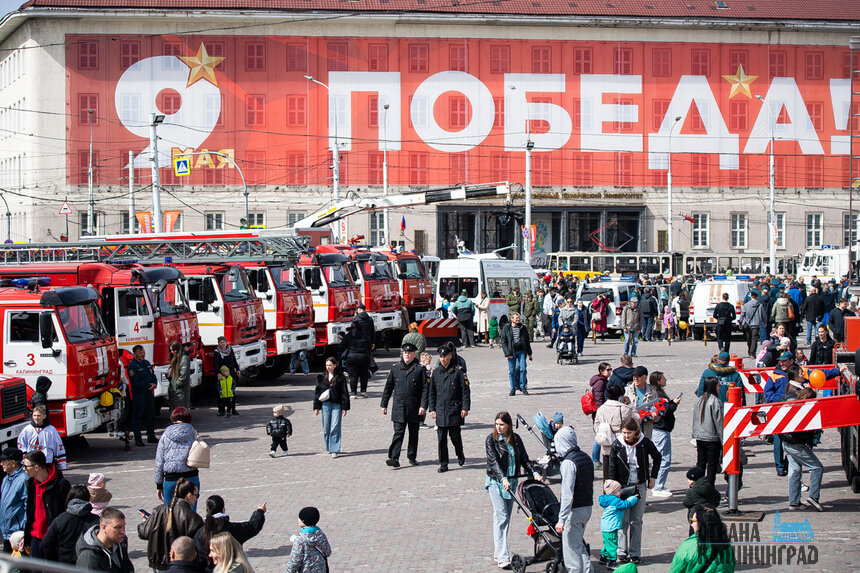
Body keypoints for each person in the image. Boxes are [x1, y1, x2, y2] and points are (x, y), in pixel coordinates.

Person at [484, 412, 541, 568]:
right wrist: (502, 478)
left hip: (512, 483)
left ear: (508, 425)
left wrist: (534, 472)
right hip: (496, 482)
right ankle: (503, 557)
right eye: (496, 424)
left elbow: (524, 459)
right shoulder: (491, 439)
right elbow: (493, 461)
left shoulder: (516, 439)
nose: (498, 427)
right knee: (501, 516)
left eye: (502, 424)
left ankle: (498, 552)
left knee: (504, 518)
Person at [608, 418, 660, 565]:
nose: (626, 436)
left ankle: (635, 553)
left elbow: (657, 457)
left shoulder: (644, 443)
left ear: (636, 432)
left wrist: (653, 476)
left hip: (640, 485)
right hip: (623, 486)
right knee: (623, 520)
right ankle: (621, 551)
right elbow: (612, 466)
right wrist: (613, 487)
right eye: (624, 433)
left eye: (629, 433)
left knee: (636, 520)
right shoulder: (617, 444)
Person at [139, 478, 204, 571]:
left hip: (158, 564)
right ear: (189, 495)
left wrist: (145, 522)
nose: (197, 497)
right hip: (181, 565)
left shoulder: (158, 510)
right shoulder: (193, 518)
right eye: (196, 495)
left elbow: (143, 533)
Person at [553, 426, 594, 573]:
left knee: (571, 550)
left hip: (575, 510)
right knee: (579, 545)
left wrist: (561, 519)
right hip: (587, 506)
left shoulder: (568, 463)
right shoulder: (585, 457)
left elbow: (567, 494)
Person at [381, 342, 428, 468]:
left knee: (413, 433)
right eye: (405, 353)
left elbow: (425, 389)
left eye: (409, 353)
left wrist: (423, 406)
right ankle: (393, 457)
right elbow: (388, 388)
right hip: (399, 407)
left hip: (414, 407)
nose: (407, 355)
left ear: (414, 354)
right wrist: (384, 404)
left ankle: (412, 457)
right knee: (398, 432)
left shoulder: (419, 369)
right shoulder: (395, 368)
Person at [426, 345, 470, 473]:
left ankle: (459, 453)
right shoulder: (436, 373)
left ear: (450, 356)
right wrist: (432, 409)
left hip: (454, 410)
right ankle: (443, 463)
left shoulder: (458, 372)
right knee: (441, 439)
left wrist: (465, 408)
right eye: (441, 357)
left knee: (455, 437)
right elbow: (432, 392)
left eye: (445, 356)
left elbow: (465, 391)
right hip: (440, 410)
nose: (443, 359)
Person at [194, 496, 266, 572]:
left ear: (207, 510)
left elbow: (198, 559)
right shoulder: (232, 529)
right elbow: (252, 526)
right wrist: (260, 511)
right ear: (223, 510)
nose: (211, 554)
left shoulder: (201, 533)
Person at [781, 387, 824, 511]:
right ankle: (813, 497)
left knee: (794, 472)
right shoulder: (802, 410)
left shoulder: (790, 403)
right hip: (796, 443)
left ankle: (794, 502)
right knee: (817, 467)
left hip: (786, 441)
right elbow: (802, 433)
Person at [23, 450, 70, 558]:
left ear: (36, 467)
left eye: (26, 466)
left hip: (53, 540)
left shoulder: (60, 484)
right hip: (35, 538)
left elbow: (66, 512)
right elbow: (30, 512)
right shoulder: (31, 484)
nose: (23, 469)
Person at [155, 407, 200, 508]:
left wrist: (159, 484)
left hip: (171, 478)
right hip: (191, 476)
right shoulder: (193, 432)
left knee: (169, 512)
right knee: (191, 512)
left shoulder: (165, 435)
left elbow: (159, 461)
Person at [41, 484, 99, 564]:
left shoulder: (60, 519)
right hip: (86, 564)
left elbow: (46, 543)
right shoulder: (95, 520)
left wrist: (53, 562)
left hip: (63, 564)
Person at [668, 506, 735, 573]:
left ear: (702, 524)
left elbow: (676, 570)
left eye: (693, 521)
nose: (692, 524)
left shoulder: (688, 546)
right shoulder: (726, 547)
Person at [593, 385, 639, 479]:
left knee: (608, 476)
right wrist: (630, 405)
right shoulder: (625, 409)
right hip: (621, 446)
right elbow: (637, 420)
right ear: (620, 396)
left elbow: (596, 427)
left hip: (606, 446)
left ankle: (608, 493)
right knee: (621, 476)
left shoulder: (601, 409)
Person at [649, 371, 681, 498]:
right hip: (661, 430)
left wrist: (672, 402)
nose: (665, 379)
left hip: (660, 429)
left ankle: (658, 484)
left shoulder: (656, 392)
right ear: (657, 381)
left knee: (661, 457)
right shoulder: (658, 394)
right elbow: (665, 410)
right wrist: (674, 404)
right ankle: (658, 486)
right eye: (663, 378)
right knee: (664, 459)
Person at [76, 507, 134, 573]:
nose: (123, 532)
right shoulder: (88, 558)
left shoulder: (120, 545)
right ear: (103, 527)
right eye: (117, 527)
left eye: (123, 526)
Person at [313, 357, 350, 458]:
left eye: (330, 365)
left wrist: (345, 407)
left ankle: (334, 449)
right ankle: (328, 447)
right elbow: (317, 392)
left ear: (335, 365)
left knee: (335, 426)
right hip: (325, 404)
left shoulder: (340, 377)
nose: (328, 367)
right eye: (327, 365)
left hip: (336, 404)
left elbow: (344, 392)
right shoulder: (321, 377)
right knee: (326, 427)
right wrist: (316, 407)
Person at [598, 480, 639, 570]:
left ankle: (603, 556)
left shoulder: (607, 499)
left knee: (608, 543)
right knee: (613, 544)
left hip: (605, 526)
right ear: (615, 492)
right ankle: (611, 562)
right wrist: (633, 498)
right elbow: (625, 504)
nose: (621, 492)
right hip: (611, 527)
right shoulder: (615, 501)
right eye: (619, 490)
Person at [692, 377, 723, 485]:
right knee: (712, 466)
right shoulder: (715, 401)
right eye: (718, 385)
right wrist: (723, 439)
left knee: (700, 463)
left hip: (700, 437)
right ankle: (709, 488)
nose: (720, 387)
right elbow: (719, 423)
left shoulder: (699, 399)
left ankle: (697, 486)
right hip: (712, 438)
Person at [127, 344, 158, 446]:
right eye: (140, 353)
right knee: (138, 417)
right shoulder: (132, 366)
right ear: (135, 353)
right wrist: (148, 385)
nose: (142, 354)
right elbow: (135, 382)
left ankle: (151, 436)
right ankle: (138, 439)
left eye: (143, 352)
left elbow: (153, 375)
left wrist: (154, 384)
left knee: (151, 415)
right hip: (139, 395)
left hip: (148, 394)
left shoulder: (146, 363)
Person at [17, 404, 66, 469]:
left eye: (39, 416)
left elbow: (58, 446)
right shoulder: (27, 429)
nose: (36, 418)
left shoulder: (51, 430)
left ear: (44, 416)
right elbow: (21, 444)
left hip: (46, 463)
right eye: (34, 415)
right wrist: (24, 460)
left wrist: (61, 464)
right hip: (31, 464)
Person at [286, 507, 331, 573]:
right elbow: (328, 552)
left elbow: (294, 562)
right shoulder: (320, 534)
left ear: (304, 521)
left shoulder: (300, 540)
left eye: (300, 518)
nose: (298, 520)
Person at [0, 448, 27, 552]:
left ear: (13, 463)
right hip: (7, 533)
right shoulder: (6, 479)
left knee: (18, 566)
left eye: (3, 461)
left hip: (18, 535)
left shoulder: (24, 479)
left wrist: (24, 531)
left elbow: (27, 507)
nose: (1, 463)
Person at [500, 311, 533, 396]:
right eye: (516, 318)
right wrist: (507, 353)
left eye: (519, 318)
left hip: (521, 351)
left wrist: (529, 353)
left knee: (523, 369)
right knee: (512, 371)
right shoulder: (506, 328)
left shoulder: (522, 328)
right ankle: (513, 388)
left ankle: (522, 387)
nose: (518, 320)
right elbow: (503, 341)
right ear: (512, 319)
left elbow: (526, 341)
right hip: (512, 352)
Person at [338, 321, 372, 398]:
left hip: (351, 358)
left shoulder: (348, 335)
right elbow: (369, 347)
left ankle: (353, 393)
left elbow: (342, 347)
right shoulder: (365, 335)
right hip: (364, 357)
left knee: (353, 376)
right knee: (364, 375)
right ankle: (363, 391)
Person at [589, 363, 611, 470]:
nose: (610, 372)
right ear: (601, 371)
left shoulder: (602, 381)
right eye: (608, 370)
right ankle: (595, 460)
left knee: (599, 435)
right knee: (598, 436)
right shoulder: (600, 383)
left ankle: (596, 459)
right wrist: (601, 413)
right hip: (599, 413)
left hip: (599, 411)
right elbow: (598, 399)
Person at [624, 366, 656, 436]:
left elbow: (656, 410)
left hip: (646, 428)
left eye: (638, 376)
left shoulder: (652, 392)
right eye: (634, 376)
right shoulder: (627, 390)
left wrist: (655, 416)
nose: (635, 378)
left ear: (645, 378)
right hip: (631, 427)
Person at [739, 291, 766, 358]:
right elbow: (764, 315)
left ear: (751, 297)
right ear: (757, 297)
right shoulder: (760, 305)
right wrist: (765, 322)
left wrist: (740, 323)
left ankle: (749, 351)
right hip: (756, 324)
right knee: (754, 339)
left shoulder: (745, 305)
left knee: (749, 339)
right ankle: (752, 353)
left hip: (748, 324)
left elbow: (742, 315)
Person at [168, 341, 192, 411]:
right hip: (174, 391)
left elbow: (184, 376)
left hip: (180, 391)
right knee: (175, 411)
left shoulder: (184, 359)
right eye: (171, 350)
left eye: (173, 350)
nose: (172, 352)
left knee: (181, 411)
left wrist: (177, 384)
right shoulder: (175, 358)